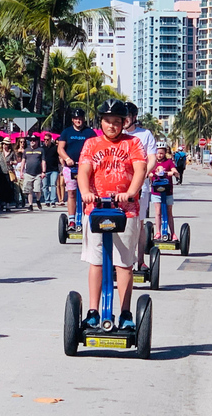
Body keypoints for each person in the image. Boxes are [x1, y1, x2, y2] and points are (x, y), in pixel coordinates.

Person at [77, 99, 147, 330]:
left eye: (117, 122)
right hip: (96, 209)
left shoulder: (133, 143)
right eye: (108, 121)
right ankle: (93, 311)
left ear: (124, 123)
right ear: (101, 122)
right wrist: (86, 192)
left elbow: (140, 169)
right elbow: (84, 170)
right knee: (96, 262)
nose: (112, 126)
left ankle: (126, 313)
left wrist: (131, 192)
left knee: (124, 263)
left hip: (125, 211)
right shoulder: (91, 143)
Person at [123, 102, 157, 271]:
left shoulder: (145, 135)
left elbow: (152, 158)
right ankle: (120, 261)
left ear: (134, 117)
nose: (125, 120)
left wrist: (143, 174)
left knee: (138, 223)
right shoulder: (118, 134)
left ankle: (140, 260)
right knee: (117, 222)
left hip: (140, 186)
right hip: (119, 185)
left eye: (128, 116)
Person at [58, 108, 97, 230]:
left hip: (86, 168)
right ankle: (71, 221)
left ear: (83, 119)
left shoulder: (89, 133)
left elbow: (96, 147)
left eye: (80, 118)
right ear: (72, 120)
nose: (78, 121)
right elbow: (60, 149)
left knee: (86, 194)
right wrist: (67, 158)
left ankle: (86, 217)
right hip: (71, 168)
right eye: (76, 119)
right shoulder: (66, 132)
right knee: (71, 193)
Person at [149, 141, 179, 239]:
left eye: (161, 153)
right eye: (157, 153)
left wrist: (173, 172)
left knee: (169, 212)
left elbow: (175, 171)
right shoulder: (152, 163)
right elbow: (147, 172)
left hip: (167, 191)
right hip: (156, 191)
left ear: (165, 152)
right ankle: (158, 232)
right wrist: (149, 174)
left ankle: (173, 233)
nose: (159, 155)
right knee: (158, 212)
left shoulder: (169, 162)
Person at [20, 136, 46, 211]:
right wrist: (21, 171)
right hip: (28, 173)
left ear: (37, 141)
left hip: (37, 173)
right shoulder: (26, 150)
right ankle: (30, 205)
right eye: (31, 140)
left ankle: (38, 200)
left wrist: (43, 171)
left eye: (34, 140)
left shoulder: (41, 150)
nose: (32, 142)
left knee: (37, 189)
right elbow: (23, 161)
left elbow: (43, 161)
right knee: (29, 190)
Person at [0, 137, 15, 212]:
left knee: (8, 189)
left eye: (7, 144)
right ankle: (2, 203)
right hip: (1, 173)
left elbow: (16, 161)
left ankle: (8, 205)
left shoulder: (11, 152)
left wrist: (12, 162)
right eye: (4, 144)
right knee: (1, 189)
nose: (5, 146)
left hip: (8, 173)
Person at [42, 131, 60, 207]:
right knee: (45, 186)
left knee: (53, 184)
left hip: (54, 169)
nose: (46, 141)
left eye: (47, 140)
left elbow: (59, 157)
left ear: (50, 140)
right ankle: (47, 200)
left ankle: (53, 201)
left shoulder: (55, 148)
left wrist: (62, 166)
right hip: (45, 170)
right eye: (45, 140)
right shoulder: (42, 149)